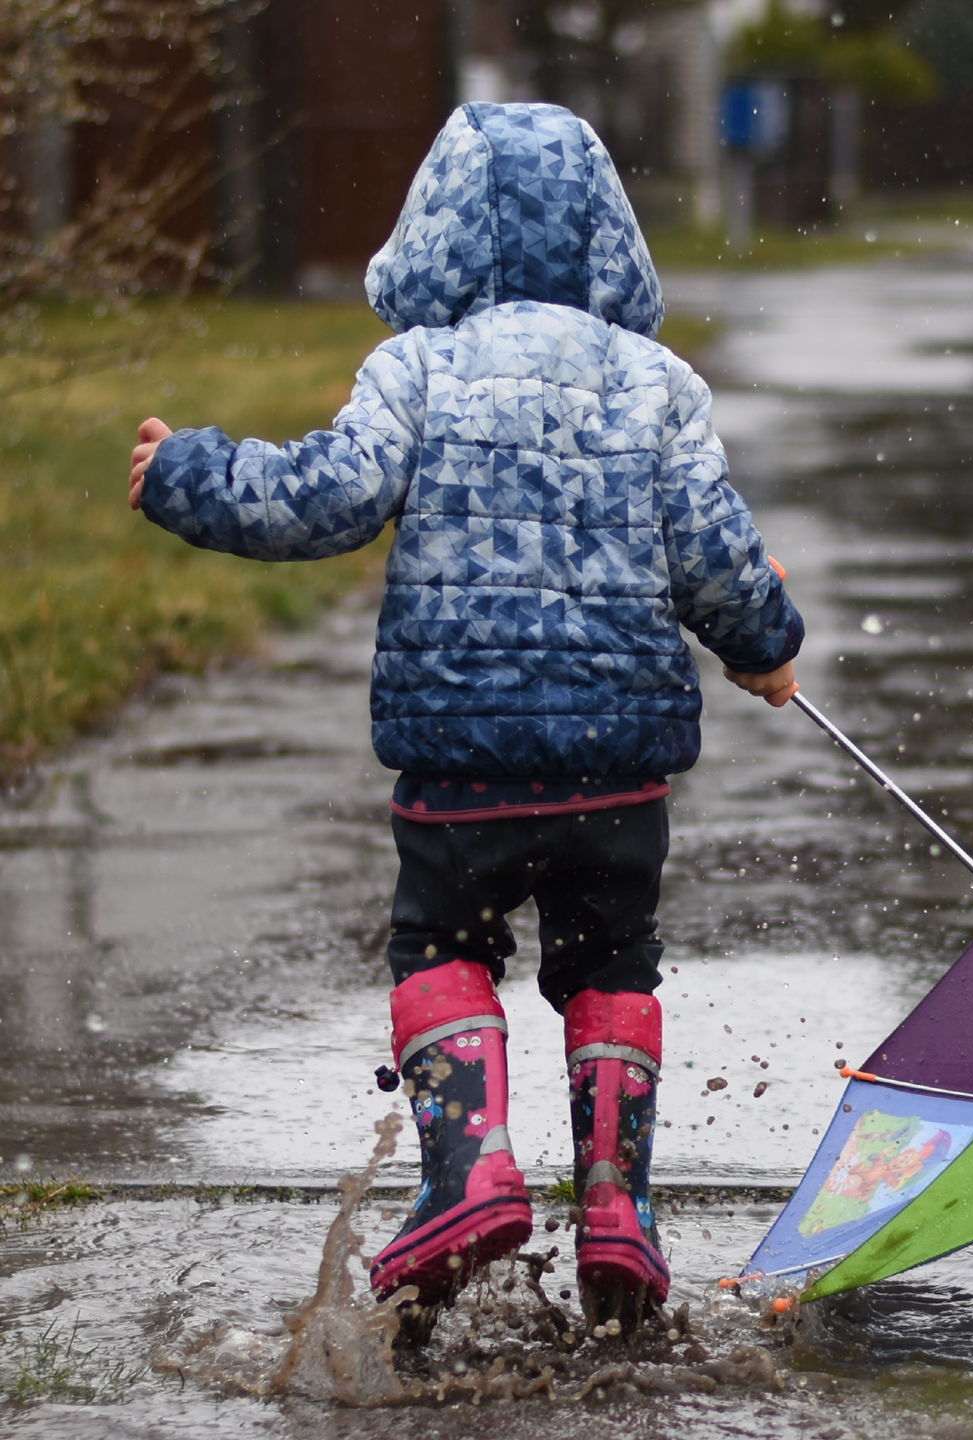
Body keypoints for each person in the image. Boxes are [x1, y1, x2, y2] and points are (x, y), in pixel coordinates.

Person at [126, 103, 803, 1319]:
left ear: (434, 229)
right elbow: (714, 554)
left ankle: (468, 1170)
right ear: (609, 239)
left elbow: (322, 499)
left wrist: (188, 473)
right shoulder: (657, 384)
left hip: (462, 766)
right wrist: (768, 646)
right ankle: (616, 1207)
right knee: (611, 959)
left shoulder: (417, 369)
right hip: (615, 770)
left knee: (443, 949)